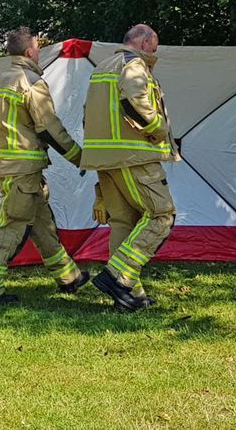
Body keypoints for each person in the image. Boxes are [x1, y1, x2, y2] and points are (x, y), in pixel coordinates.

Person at [0, 28, 90, 304]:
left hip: (11, 169)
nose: (39, 51)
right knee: (12, 225)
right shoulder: (31, 81)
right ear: (29, 52)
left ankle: (69, 278)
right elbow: (49, 127)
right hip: (23, 169)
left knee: (42, 224)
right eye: (37, 47)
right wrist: (78, 157)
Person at [80, 24, 179, 312]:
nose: (154, 53)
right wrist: (159, 129)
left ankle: (130, 294)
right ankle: (117, 277)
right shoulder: (132, 64)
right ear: (144, 41)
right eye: (154, 46)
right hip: (133, 156)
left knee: (124, 222)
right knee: (162, 215)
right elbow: (134, 99)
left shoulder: (102, 67)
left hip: (105, 158)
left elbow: (88, 114)